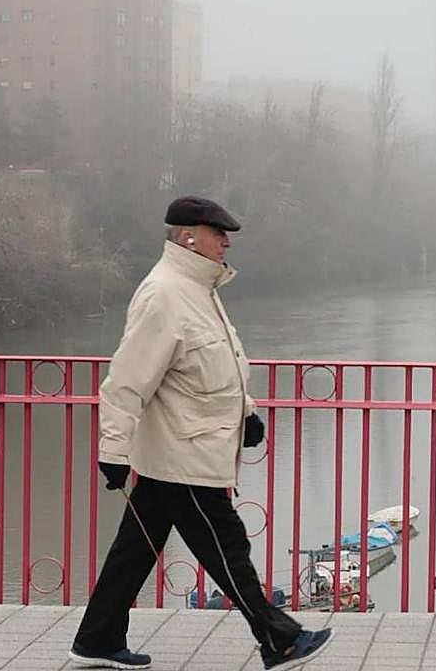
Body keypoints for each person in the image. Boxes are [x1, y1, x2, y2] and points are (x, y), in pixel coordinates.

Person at [69, 196, 331, 670]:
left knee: (135, 549)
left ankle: (97, 638)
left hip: (185, 449)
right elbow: (127, 381)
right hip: (183, 454)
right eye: (219, 233)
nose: (227, 241)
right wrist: (113, 449)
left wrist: (247, 413)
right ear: (188, 237)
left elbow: (216, 366)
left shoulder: (198, 289)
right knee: (227, 546)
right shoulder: (164, 295)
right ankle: (280, 639)